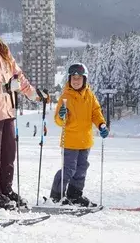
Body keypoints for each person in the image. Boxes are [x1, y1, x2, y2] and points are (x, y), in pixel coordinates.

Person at [0, 4, 48, 209]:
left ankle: (5, 190)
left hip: (7, 109)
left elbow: (17, 75)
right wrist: (3, 87)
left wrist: (33, 93)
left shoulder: (1, 47)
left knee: (8, 154)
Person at [50, 63, 109, 207]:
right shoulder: (65, 96)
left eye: (79, 78)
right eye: (73, 78)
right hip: (70, 140)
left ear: (85, 79)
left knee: (82, 169)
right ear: (69, 79)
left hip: (85, 140)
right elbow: (58, 120)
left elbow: (96, 112)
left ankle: (74, 195)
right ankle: (56, 196)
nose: (76, 81)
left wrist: (101, 124)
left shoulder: (90, 95)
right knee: (68, 169)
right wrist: (61, 116)